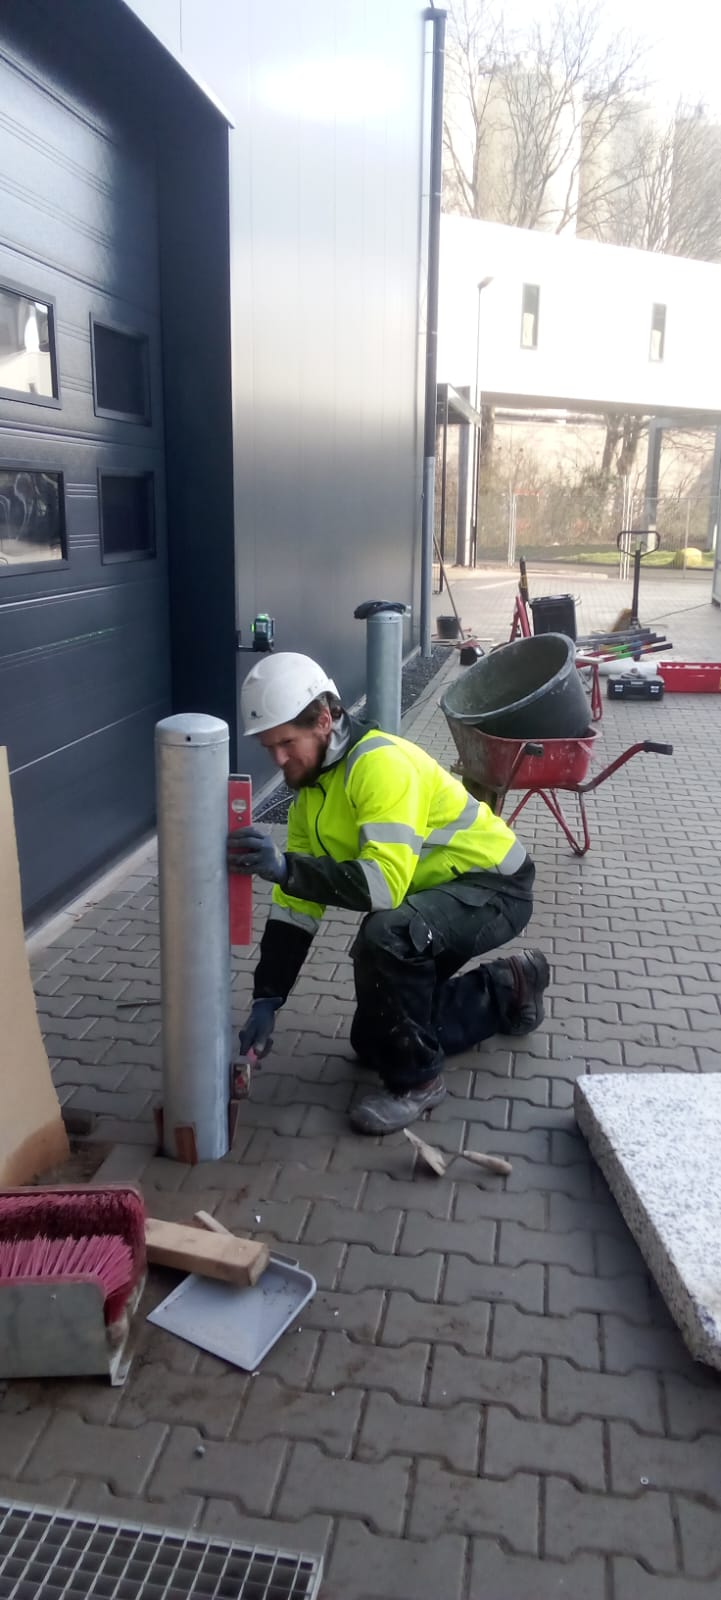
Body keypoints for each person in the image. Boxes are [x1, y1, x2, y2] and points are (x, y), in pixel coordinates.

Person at [228, 652, 549, 1135]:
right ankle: (510, 985)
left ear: (323, 720)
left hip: (494, 887)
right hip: (439, 896)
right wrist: (267, 998)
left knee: (387, 934)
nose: (278, 759)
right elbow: (297, 905)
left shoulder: (380, 766)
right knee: (374, 1040)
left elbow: (382, 886)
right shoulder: (311, 794)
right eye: (268, 746)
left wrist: (287, 868)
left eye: (287, 743)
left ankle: (418, 1083)